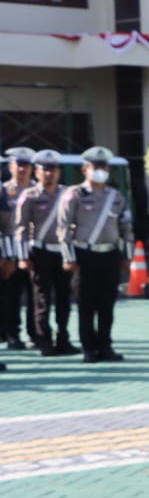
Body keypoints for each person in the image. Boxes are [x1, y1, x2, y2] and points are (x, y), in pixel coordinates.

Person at [59, 146, 132, 363]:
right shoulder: (74, 194)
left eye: (103, 166)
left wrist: (127, 257)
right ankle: (89, 348)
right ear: (85, 169)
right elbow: (63, 227)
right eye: (94, 166)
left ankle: (105, 346)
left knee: (107, 305)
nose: (99, 170)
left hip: (109, 255)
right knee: (86, 304)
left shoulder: (116, 196)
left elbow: (126, 227)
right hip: (84, 255)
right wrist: (68, 257)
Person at [14, 150, 76, 356]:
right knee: (41, 299)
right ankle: (44, 340)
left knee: (64, 297)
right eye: (44, 170)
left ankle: (63, 338)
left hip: (63, 252)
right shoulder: (30, 196)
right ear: (37, 172)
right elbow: (21, 228)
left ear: (59, 172)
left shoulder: (67, 194)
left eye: (53, 170)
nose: (49, 174)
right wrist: (22, 257)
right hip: (40, 252)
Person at [2, 146, 39, 349]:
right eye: (19, 165)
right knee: (11, 296)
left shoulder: (38, 190)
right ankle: (12, 334)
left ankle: (36, 333)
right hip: (10, 251)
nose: (23, 169)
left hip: (35, 250)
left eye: (26, 165)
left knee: (36, 295)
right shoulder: (3, 191)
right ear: (10, 166)